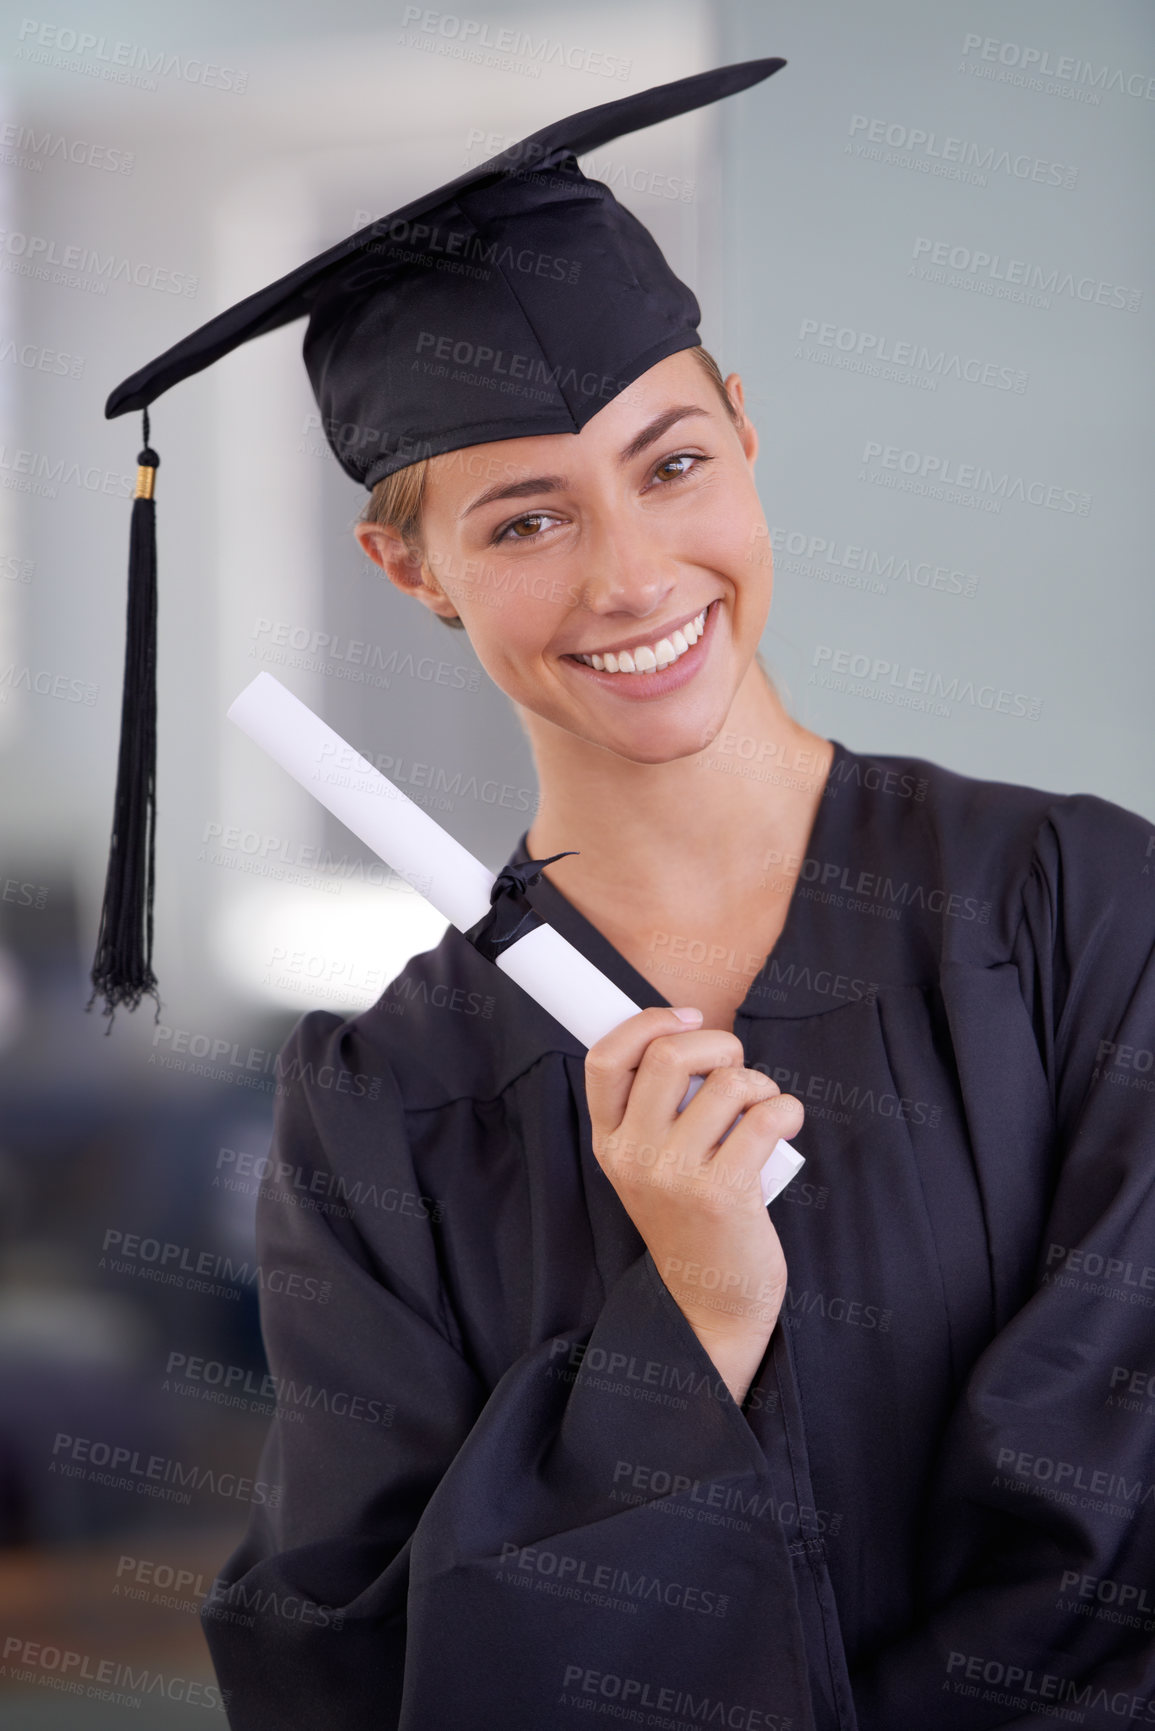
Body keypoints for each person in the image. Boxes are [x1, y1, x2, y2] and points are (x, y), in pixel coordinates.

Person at [92, 56, 1155, 1731]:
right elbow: (348, 1669)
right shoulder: (384, 1108)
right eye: (525, 521)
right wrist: (693, 1326)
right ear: (411, 570)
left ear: (744, 430)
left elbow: (1126, 1529)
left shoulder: (1087, 915)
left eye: (670, 466)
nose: (634, 577)